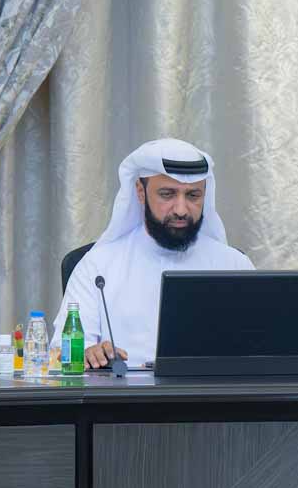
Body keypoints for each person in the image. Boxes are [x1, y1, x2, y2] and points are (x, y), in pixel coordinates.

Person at [56, 138, 254, 369]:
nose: (181, 210)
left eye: (193, 195)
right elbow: (62, 352)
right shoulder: (98, 266)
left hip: (214, 391)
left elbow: (263, 349)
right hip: (121, 391)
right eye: (167, 194)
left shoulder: (234, 265)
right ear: (141, 192)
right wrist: (89, 353)